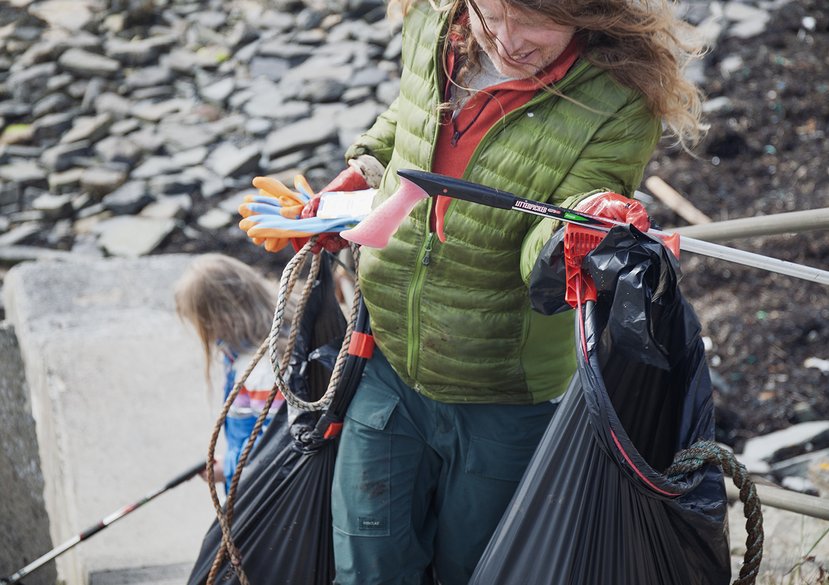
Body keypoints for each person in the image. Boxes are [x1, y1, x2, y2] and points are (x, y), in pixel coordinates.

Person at [242, 0, 706, 582]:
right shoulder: (432, 22)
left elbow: (542, 240)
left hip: (506, 397)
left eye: (534, 19)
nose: (508, 41)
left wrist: (581, 224)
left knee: (478, 571)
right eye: (494, 15)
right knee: (366, 569)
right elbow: (403, 124)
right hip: (387, 368)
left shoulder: (616, 103)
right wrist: (360, 174)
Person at [174, 253, 283, 495]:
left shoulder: (262, 372)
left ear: (222, 318)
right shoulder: (243, 350)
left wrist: (230, 467)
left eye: (203, 325)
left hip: (264, 499)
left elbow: (276, 453)